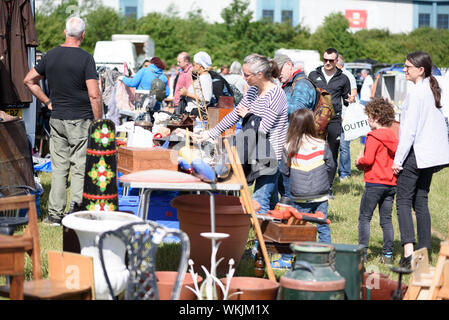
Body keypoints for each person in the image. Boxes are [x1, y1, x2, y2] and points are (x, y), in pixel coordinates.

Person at [23, 16, 103, 225]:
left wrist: (47, 101)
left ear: (64, 32)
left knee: (59, 168)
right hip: (81, 119)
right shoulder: (86, 59)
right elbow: (94, 94)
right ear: (83, 35)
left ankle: (54, 215)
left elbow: (29, 80)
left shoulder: (50, 56)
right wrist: (99, 121)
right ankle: (75, 213)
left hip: (57, 119)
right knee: (79, 167)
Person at [198, 53, 288, 214]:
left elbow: (262, 129)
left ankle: (260, 240)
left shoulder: (276, 94)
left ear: (259, 75)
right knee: (272, 202)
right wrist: (211, 133)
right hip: (255, 151)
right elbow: (235, 114)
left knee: (260, 201)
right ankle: (277, 236)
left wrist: (248, 114)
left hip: (271, 155)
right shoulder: (253, 90)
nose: (243, 78)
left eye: (246, 75)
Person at [392, 51, 449, 268]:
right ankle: (423, 256)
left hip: (417, 153)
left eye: (408, 66)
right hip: (431, 154)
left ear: (420, 69)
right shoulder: (432, 88)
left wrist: (398, 160)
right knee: (421, 201)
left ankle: (409, 255)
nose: (404, 69)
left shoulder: (416, 93)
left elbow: (409, 132)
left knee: (403, 202)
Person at [272, 108, 335, 269]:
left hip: (299, 195)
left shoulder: (289, 146)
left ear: (292, 125)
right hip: (321, 194)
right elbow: (331, 165)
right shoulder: (321, 144)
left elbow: (285, 172)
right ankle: (326, 258)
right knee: (322, 226)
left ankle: (287, 259)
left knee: (294, 226)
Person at [355, 98, 398, 266]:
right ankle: (387, 255)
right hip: (391, 184)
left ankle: (362, 254)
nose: (368, 120)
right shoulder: (393, 136)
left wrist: (359, 160)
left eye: (369, 117)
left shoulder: (372, 136)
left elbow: (368, 159)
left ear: (377, 117)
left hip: (374, 182)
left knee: (364, 217)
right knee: (386, 219)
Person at [308, 48, 352, 198]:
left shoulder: (343, 78)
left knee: (332, 153)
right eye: (325, 59)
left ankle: (328, 188)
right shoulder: (313, 75)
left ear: (336, 61)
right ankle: (313, 184)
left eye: (331, 60)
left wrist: (351, 100)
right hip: (316, 119)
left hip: (334, 120)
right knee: (314, 152)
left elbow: (347, 100)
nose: (327, 63)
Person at [273, 54, 317, 201]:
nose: (277, 74)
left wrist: (273, 102)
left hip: (296, 143)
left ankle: (292, 220)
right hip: (289, 142)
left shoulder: (301, 84)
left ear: (289, 65)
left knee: (288, 190)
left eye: (279, 69)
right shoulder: (290, 84)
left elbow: (298, 111)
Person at [336, 54, 358, 182]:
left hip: (345, 116)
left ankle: (344, 173)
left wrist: (347, 113)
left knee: (344, 146)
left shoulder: (348, 75)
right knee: (333, 146)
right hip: (333, 116)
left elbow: (353, 94)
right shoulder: (330, 75)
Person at [179, 51, 213, 116]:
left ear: (199, 65)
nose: (193, 67)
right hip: (191, 111)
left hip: (196, 114)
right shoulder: (201, 77)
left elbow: (205, 99)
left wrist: (187, 93)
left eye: (194, 65)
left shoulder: (205, 79)